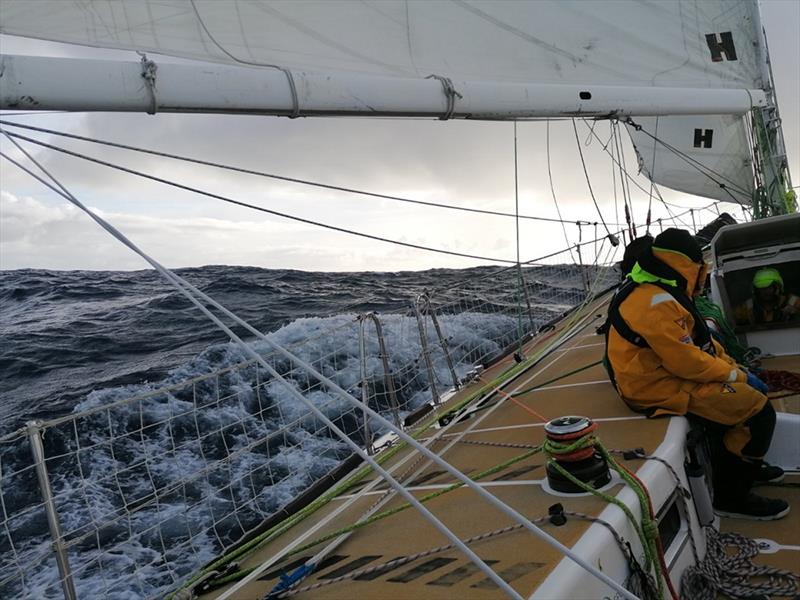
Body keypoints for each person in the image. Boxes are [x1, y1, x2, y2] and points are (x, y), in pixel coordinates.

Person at [604, 228, 788, 520]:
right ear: (688, 267)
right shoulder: (655, 302)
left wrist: (733, 367)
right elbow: (687, 363)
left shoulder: (662, 288)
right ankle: (732, 497)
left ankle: (746, 468)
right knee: (758, 411)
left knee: (744, 401)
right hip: (655, 387)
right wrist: (738, 378)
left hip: (670, 374)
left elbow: (701, 342)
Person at [734, 267, 800, 326]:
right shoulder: (747, 307)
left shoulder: (793, 302)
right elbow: (730, 323)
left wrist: (796, 313)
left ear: (778, 287)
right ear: (756, 290)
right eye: (762, 288)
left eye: (769, 287)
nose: (766, 291)